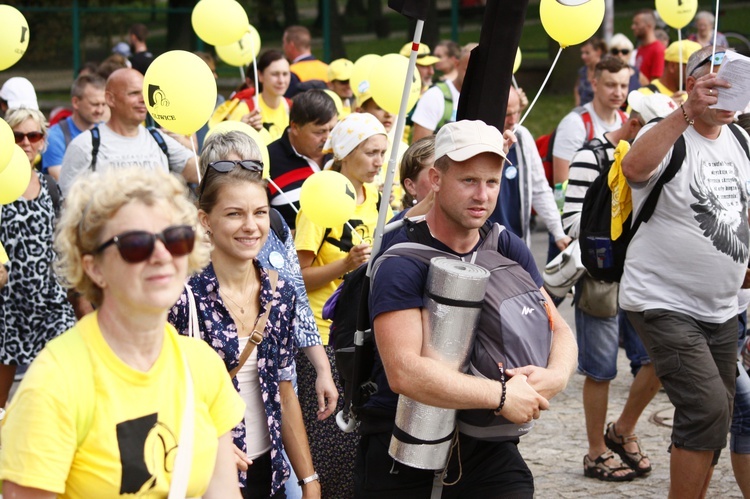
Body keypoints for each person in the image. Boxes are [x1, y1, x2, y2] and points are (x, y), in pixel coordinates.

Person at [355, 119, 577, 497]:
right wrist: (502, 396)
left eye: (491, 183)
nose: (482, 195)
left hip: (487, 448)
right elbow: (404, 372)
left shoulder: (506, 245)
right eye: (468, 181)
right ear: (436, 179)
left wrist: (555, 377)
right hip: (403, 449)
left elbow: (557, 327)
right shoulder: (401, 260)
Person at [0, 167, 244, 498]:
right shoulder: (53, 384)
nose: (161, 255)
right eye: (135, 243)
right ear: (94, 268)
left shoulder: (202, 365)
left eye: (175, 238)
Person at [620, 45, 750, 499]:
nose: (722, 92)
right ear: (693, 84)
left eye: (732, 83)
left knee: (717, 416)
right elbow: (633, 168)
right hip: (663, 301)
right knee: (707, 409)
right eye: (713, 81)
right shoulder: (666, 131)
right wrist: (685, 112)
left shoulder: (742, 142)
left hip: (723, 308)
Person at [169, 132, 321, 499]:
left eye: (259, 213)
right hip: (203, 472)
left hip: (266, 472)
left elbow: (284, 389)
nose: (250, 226)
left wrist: (309, 480)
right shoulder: (180, 296)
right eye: (234, 214)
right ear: (205, 220)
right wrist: (210, 445)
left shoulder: (279, 294)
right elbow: (158, 391)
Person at [562, 91, 679, 482]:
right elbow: (569, 225)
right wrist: (616, 227)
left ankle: (623, 428)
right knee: (600, 370)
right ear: (633, 125)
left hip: (648, 277)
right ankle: (595, 452)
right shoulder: (590, 156)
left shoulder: (663, 156)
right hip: (602, 278)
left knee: (658, 360)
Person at [295, 112, 391, 497]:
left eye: (383, 152)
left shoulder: (379, 197)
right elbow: (296, 277)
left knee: (359, 441)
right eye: (370, 153)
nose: (378, 162)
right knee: (330, 440)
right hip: (322, 336)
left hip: (364, 332)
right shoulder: (321, 193)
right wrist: (345, 264)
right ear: (348, 153)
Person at [0, 107, 76, 415]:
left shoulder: (51, 187)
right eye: (18, 136)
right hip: (8, 302)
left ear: (44, 141)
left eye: (34, 135)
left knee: (65, 376)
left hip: (51, 299)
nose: (27, 142)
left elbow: (62, 240)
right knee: (1, 397)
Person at [59, 68, 198, 195]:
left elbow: (200, 172)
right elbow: (69, 208)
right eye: (134, 93)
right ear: (110, 99)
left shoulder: (158, 138)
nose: (144, 100)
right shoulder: (85, 145)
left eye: (145, 93)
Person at [490, 86, 570, 250]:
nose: (513, 120)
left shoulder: (522, 136)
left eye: (517, 112)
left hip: (516, 242)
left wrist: (558, 232)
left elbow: (539, 188)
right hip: (480, 244)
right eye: (507, 115)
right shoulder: (475, 139)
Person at [552, 56, 630, 187]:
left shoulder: (627, 121)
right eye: (610, 85)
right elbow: (561, 183)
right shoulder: (574, 124)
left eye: (623, 86)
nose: (618, 93)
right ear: (594, 84)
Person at [267, 89, 338, 229]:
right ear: (295, 127)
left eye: (332, 129)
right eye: (320, 132)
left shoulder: (343, 153)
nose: (328, 138)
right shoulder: (268, 161)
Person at [42, 74, 107, 180]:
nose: (100, 110)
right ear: (75, 102)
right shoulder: (56, 136)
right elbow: (62, 180)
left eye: (104, 104)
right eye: (94, 104)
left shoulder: (107, 132)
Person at [411, 44, 472, 142]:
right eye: (469, 71)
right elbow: (418, 151)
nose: (474, 77)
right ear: (457, 64)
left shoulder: (488, 101)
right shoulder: (435, 96)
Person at [632, 40, 702, 105]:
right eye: (692, 67)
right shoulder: (644, 95)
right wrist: (665, 108)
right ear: (672, 66)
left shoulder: (693, 96)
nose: (698, 73)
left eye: (700, 67)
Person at [283, 26, 328, 98]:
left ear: (291, 45)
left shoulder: (290, 72)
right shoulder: (327, 69)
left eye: (284, 43)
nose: (283, 47)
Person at [631, 9, 665, 84]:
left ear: (648, 26)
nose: (633, 27)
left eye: (637, 24)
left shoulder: (658, 50)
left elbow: (656, 84)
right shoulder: (640, 48)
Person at [574, 37, 607, 107]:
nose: (583, 56)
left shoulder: (606, 72)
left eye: (587, 53)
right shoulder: (582, 71)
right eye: (582, 53)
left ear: (598, 52)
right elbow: (577, 89)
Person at [607, 33, 642, 98]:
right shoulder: (606, 71)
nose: (620, 55)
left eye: (624, 51)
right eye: (615, 51)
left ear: (630, 54)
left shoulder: (635, 71)